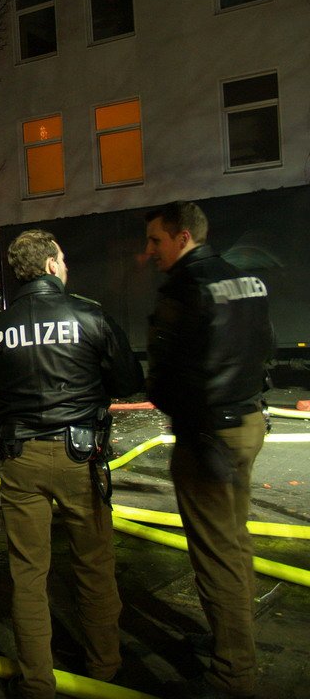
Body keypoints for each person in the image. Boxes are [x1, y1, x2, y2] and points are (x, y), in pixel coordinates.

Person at [0, 230, 143, 699]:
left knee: (27, 573)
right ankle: (105, 668)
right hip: (79, 459)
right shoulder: (89, 315)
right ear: (48, 266)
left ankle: (36, 682)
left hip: (21, 460)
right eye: (61, 260)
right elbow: (128, 379)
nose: (66, 267)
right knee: (94, 565)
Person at [145, 202, 272, 699]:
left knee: (215, 554)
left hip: (207, 436)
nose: (150, 251)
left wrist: (183, 416)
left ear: (181, 237)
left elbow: (172, 375)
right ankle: (233, 641)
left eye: (156, 240)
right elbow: (267, 344)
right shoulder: (247, 281)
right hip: (248, 422)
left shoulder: (185, 290)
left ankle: (233, 672)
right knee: (236, 542)